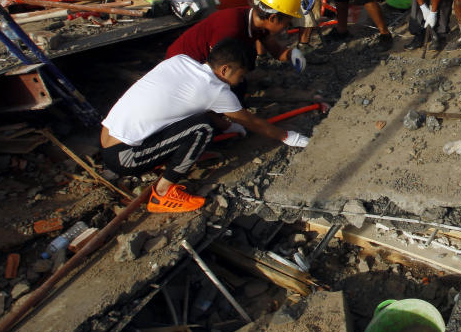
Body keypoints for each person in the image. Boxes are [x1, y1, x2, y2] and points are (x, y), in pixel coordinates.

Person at [101, 38, 311, 213]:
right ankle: (163, 193)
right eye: (241, 75)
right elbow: (252, 122)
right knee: (202, 129)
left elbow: (189, 105)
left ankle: (181, 154)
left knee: (197, 121)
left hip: (108, 138)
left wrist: (228, 128)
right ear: (225, 69)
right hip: (124, 157)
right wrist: (289, 137)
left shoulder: (180, 61)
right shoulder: (216, 90)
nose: (240, 81)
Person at [166, 0, 307, 76]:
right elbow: (216, 72)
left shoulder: (258, 23)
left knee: (244, 63)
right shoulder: (230, 29)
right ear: (273, 18)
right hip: (181, 67)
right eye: (287, 23)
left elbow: (276, 51)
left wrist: (292, 54)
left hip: (208, 64)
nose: (287, 28)